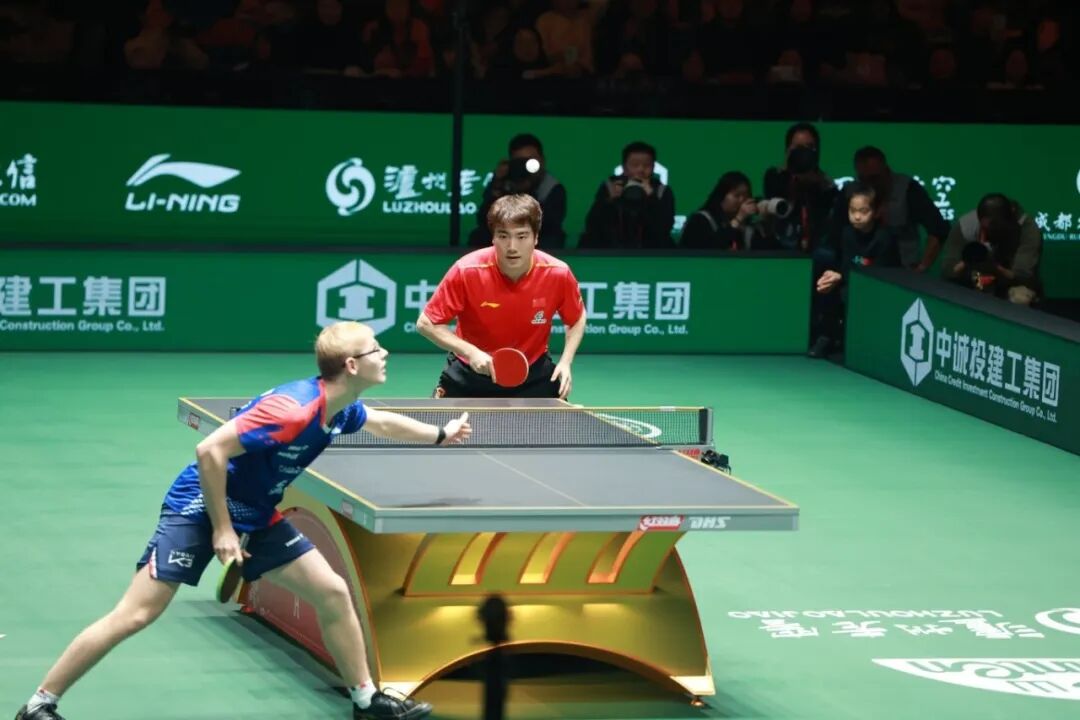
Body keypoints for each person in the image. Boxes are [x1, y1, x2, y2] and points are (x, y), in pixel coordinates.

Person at [15, 321, 471, 720]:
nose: (385, 353)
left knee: (332, 591)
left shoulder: (340, 408)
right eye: (376, 348)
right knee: (138, 613)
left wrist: (440, 434)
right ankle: (39, 704)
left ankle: (366, 698)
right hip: (200, 506)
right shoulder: (293, 410)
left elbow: (381, 423)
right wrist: (222, 528)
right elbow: (209, 450)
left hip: (255, 509)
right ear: (352, 365)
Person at [417, 194, 587, 399]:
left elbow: (576, 318)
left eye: (522, 236)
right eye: (503, 236)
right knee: (440, 420)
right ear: (493, 238)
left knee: (558, 419)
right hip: (470, 373)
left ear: (535, 238)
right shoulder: (467, 271)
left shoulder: (557, 273)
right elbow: (426, 323)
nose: (512, 247)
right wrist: (470, 351)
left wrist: (566, 362)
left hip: (533, 373)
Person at [810, 182, 901, 358]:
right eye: (852, 211)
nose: (857, 216)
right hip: (853, 281)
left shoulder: (885, 238)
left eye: (863, 211)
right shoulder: (847, 233)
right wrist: (834, 276)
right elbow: (847, 264)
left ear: (876, 212)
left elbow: (880, 275)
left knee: (845, 293)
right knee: (826, 287)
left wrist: (841, 276)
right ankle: (826, 336)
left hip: (880, 290)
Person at [939, 192, 1043, 304]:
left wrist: (994, 266)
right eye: (984, 228)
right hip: (974, 281)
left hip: (1011, 286)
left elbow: (1022, 276)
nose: (988, 233)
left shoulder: (1027, 231)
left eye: (994, 229)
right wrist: (969, 260)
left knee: (1020, 298)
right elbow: (948, 270)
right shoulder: (966, 226)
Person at [468, 133, 567, 248]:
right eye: (520, 162)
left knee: (553, 238)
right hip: (505, 235)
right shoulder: (504, 182)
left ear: (542, 160)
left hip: (539, 241)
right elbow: (484, 219)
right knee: (479, 235)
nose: (525, 167)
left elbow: (548, 224)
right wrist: (497, 185)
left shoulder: (552, 187)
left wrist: (526, 191)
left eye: (530, 161)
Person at [580, 141, 675, 249]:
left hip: (650, 250)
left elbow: (664, 228)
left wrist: (652, 198)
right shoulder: (610, 187)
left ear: (653, 167)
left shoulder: (661, 191)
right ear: (624, 167)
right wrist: (610, 200)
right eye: (635, 165)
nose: (641, 169)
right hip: (611, 249)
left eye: (647, 165)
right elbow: (592, 225)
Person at [680, 170, 781, 250]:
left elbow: (769, 253)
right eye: (737, 195)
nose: (742, 200)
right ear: (721, 196)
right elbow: (711, 248)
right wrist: (738, 219)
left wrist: (768, 225)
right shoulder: (700, 220)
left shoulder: (748, 229)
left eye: (746, 196)